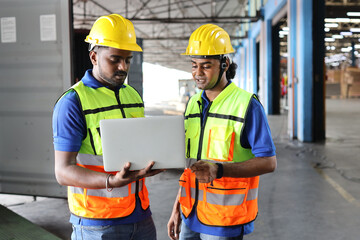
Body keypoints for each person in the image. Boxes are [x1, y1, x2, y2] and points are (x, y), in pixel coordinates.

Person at [52, 14, 163, 240]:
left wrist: (155, 161)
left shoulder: (132, 95)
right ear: (94, 56)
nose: (123, 67)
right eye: (115, 59)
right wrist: (111, 182)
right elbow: (63, 172)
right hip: (98, 222)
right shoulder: (73, 102)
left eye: (128, 59)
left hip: (139, 214)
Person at [167, 24, 277, 240]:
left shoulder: (247, 105)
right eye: (194, 65)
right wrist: (177, 207)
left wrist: (219, 169)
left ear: (224, 64)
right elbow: (190, 166)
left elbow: (269, 162)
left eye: (206, 66)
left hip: (224, 221)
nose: (198, 73)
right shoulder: (193, 104)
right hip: (190, 215)